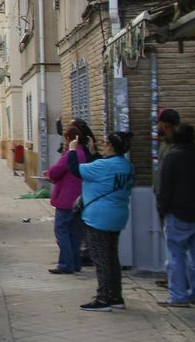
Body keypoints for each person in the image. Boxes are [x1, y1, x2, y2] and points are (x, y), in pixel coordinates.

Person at [71, 131, 135, 312]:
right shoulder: (127, 166)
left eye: (106, 144)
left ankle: (103, 298)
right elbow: (102, 171)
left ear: (111, 146)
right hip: (118, 215)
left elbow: (75, 169)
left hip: (98, 217)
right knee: (112, 257)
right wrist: (93, 153)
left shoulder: (103, 166)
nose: (104, 147)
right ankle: (116, 296)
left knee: (100, 258)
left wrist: (72, 150)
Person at [156, 123, 195, 307]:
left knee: (176, 256)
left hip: (178, 213)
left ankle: (178, 296)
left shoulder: (171, 158)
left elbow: (164, 188)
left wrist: (162, 210)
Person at [44, 121, 93, 276]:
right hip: (79, 198)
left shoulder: (71, 154)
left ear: (69, 138)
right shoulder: (83, 153)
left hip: (66, 199)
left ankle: (65, 264)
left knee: (61, 231)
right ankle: (75, 263)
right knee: (74, 234)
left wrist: (49, 174)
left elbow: (56, 171)